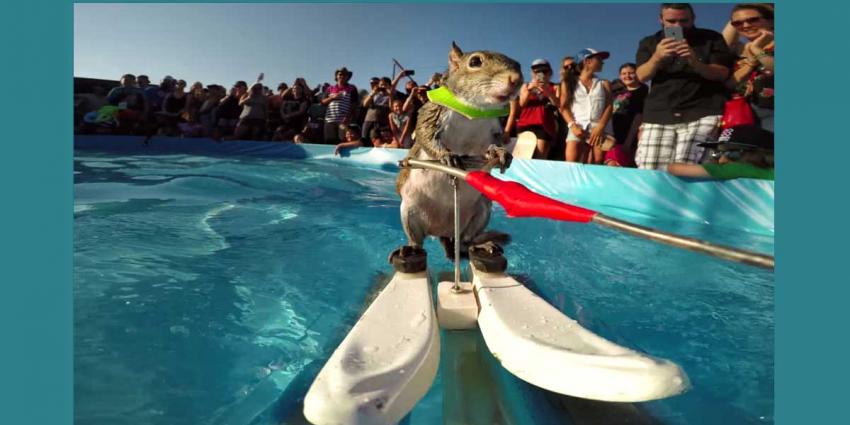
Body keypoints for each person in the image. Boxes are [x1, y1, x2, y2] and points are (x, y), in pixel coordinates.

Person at [634, 3, 735, 170]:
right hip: (659, 113)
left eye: (684, 21)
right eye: (671, 21)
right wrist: (657, 57)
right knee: (650, 168)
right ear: (661, 19)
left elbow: (722, 74)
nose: (678, 26)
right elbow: (642, 76)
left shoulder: (711, 38)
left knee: (690, 168)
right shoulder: (649, 42)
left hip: (703, 111)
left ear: (693, 18)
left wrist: (695, 62)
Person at [723, 3, 774, 131]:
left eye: (753, 20)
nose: (745, 25)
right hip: (742, 113)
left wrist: (756, 50)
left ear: (771, 20)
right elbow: (729, 85)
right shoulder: (740, 51)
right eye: (738, 23)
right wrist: (751, 61)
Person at [560, 48, 614, 164]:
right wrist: (572, 126)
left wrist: (600, 127)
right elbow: (564, 108)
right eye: (599, 59)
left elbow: (609, 106)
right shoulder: (568, 83)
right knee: (571, 162)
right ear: (587, 61)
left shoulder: (604, 83)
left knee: (598, 162)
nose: (602, 62)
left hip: (600, 128)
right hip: (577, 126)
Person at [667, 125, 773, 180]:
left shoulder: (740, 169)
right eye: (717, 154)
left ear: (755, 153)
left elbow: (675, 169)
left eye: (731, 153)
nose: (722, 160)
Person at [516, 59, 560, 159]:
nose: (541, 74)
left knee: (540, 156)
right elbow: (522, 103)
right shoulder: (526, 86)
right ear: (532, 73)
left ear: (550, 72)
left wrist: (547, 90)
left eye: (544, 71)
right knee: (522, 155)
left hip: (544, 125)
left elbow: (558, 104)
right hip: (525, 123)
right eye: (537, 72)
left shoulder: (555, 87)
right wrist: (531, 88)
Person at [610, 63, 649, 160]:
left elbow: (639, 116)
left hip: (631, 136)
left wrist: (629, 141)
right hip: (613, 134)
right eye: (624, 73)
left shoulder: (643, 92)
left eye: (631, 73)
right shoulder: (616, 91)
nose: (627, 76)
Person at [321, 67, 359, 144]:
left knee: (343, 140)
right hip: (329, 120)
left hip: (343, 120)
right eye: (340, 74)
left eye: (345, 75)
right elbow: (323, 102)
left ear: (348, 77)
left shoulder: (352, 88)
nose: (342, 76)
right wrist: (332, 98)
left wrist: (348, 117)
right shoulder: (329, 88)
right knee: (329, 141)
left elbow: (354, 104)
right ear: (336, 76)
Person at [361, 77, 392, 145]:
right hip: (369, 119)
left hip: (382, 121)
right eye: (381, 84)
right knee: (365, 138)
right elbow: (365, 104)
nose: (382, 86)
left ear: (389, 86)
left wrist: (390, 95)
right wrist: (373, 93)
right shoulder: (373, 92)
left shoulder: (391, 95)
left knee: (379, 140)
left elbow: (391, 107)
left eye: (385, 85)